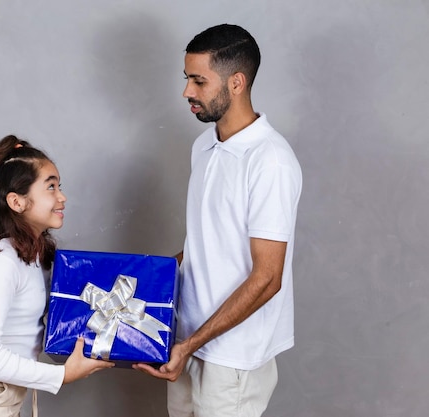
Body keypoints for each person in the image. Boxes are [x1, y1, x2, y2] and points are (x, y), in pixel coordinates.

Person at [133, 24, 302, 417]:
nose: (187, 92)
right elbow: (204, 245)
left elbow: (267, 278)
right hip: (187, 341)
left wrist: (189, 345)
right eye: (187, 79)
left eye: (199, 81)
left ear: (237, 82)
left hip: (233, 357)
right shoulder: (204, 146)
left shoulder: (270, 161)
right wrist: (139, 278)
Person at [0, 135, 114, 417]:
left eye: (60, 186)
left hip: (2, 391)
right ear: (17, 202)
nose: (62, 197)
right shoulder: (1, 262)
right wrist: (62, 376)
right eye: (51, 187)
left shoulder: (33, 254)